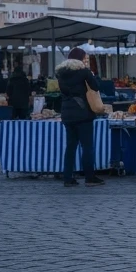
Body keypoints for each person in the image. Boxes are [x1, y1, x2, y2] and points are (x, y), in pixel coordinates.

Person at [57, 47, 104, 188]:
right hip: (83, 113)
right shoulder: (84, 72)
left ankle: (67, 178)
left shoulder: (61, 73)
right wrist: (91, 75)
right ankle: (89, 177)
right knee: (87, 146)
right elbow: (95, 87)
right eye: (84, 58)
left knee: (70, 147)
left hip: (67, 112)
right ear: (80, 59)